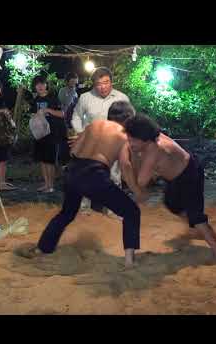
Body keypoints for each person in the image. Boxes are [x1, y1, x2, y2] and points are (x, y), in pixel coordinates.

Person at [14, 101, 144, 267]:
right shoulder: (123, 135)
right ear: (128, 119)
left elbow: (74, 148)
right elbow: (125, 166)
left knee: (67, 213)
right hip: (94, 175)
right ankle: (129, 261)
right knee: (131, 211)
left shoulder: (93, 125)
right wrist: (136, 190)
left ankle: (42, 249)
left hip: (72, 171)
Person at [123, 113, 216, 262]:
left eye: (133, 139)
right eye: (129, 138)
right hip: (177, 176)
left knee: (196, 217)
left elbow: (141, 181)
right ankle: (196, 229)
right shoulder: (151, 138)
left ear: (143, 138)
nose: (130, 142)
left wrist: (132, 157)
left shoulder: (154, 149)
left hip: (190, 174)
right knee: (171, 203)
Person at [71, 67, 130, 212]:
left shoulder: (121, 98)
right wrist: (80, 133)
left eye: (106, 82)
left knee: (114, 176)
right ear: (94, 84)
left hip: (113, 143)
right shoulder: (85, 97)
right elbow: (76, 116)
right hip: (90, 143)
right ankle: (84, 208)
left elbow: (129, 119)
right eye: (99, 83)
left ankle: (113, 209)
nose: (102, 86)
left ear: (111, 82)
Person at [30, 75, 65, 193]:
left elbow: (62, 114)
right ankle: (45, 184)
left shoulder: (53, 98)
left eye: (42, 84)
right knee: (42, 160)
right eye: (37, 84)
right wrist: (35, 116)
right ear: (35, 86)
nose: (40, 86)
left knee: (50, 161)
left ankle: (51, 185)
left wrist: (48, 110)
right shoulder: (35, 101)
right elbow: (32, 115)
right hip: (40, 134)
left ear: (46, 85)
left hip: (52, 134)